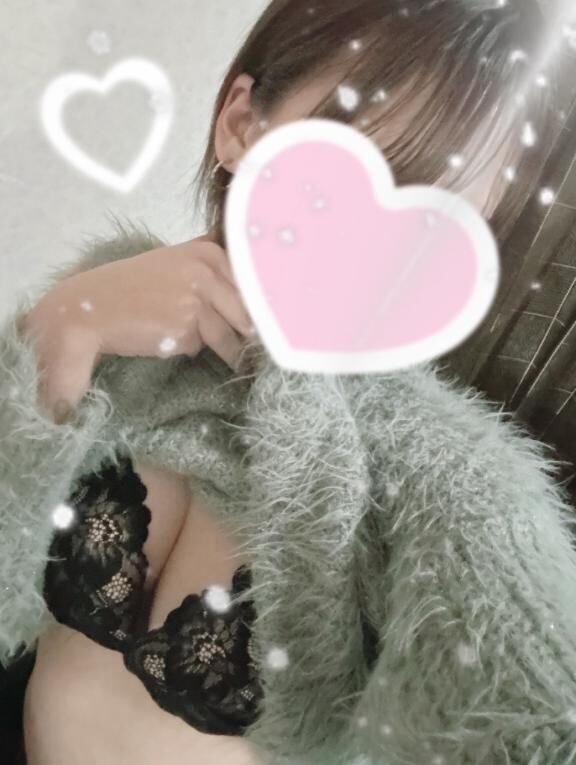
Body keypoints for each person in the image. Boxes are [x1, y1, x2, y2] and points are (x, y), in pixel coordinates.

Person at [2, 1, 576, 764]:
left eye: (431, 217)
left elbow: (537, 718)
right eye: (345, 165)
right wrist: (57, 334)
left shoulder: (447, 475)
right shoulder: (110, 306)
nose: (369, 239)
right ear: (241, 122)